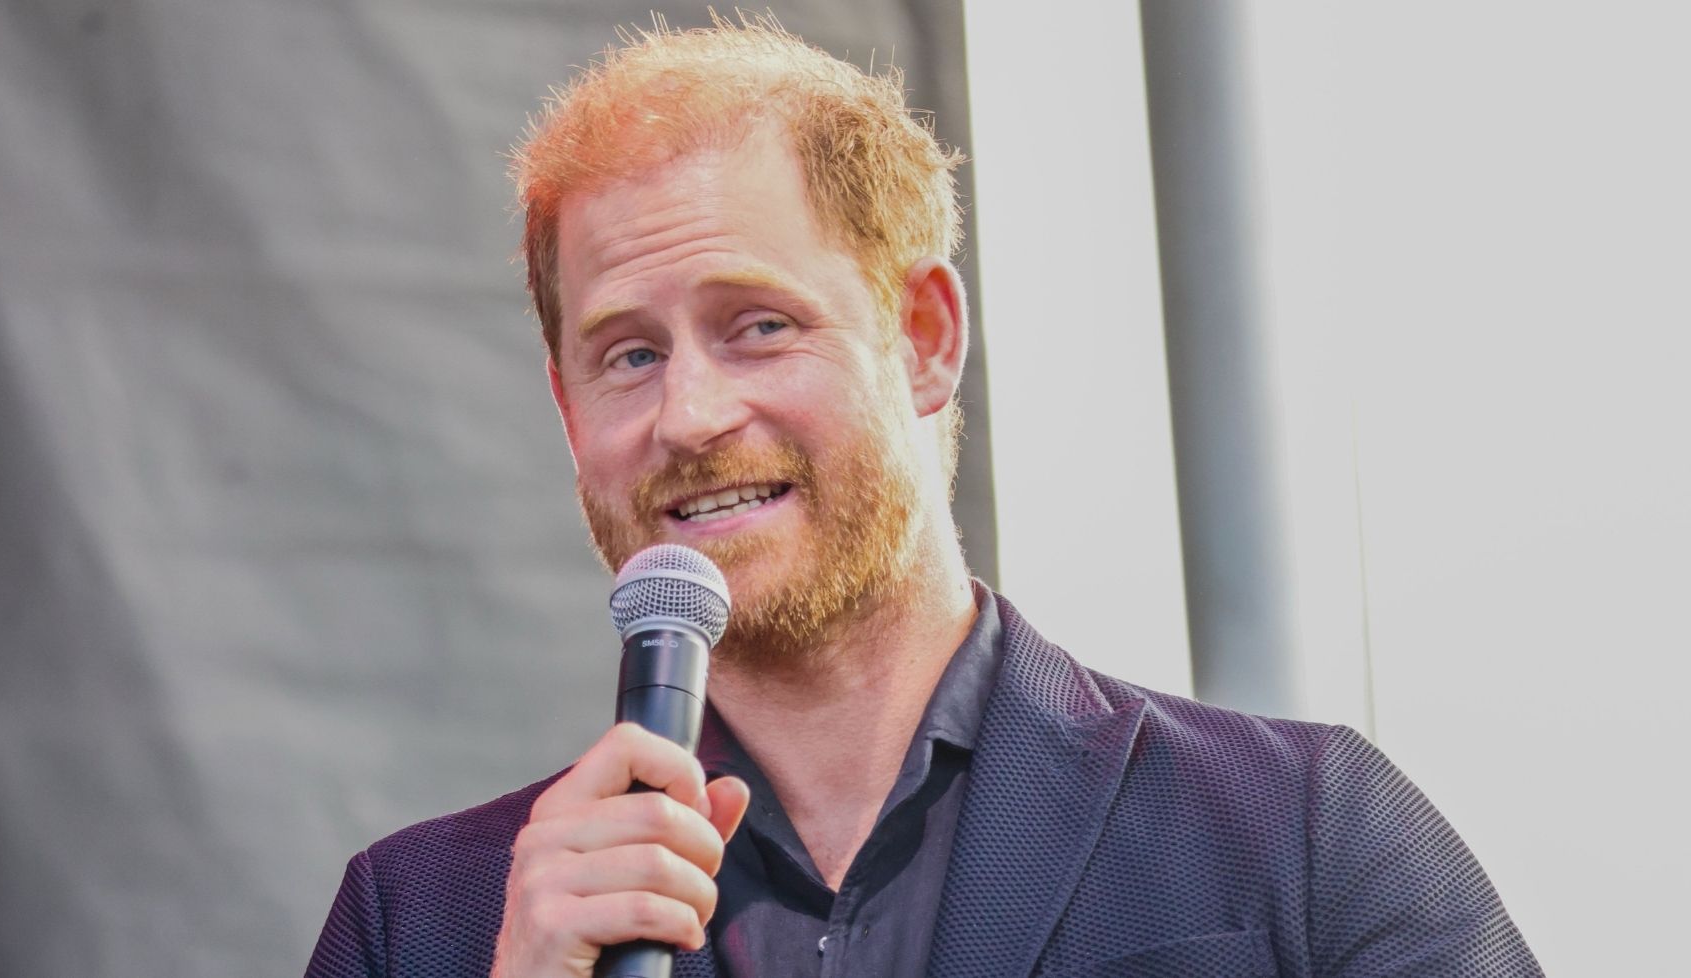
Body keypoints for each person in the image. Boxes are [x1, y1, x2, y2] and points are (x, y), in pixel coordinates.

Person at [306, 15, 1540, 978]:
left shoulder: (1300, 832)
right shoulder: (422, 923)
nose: (687, 415)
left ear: (926, 339)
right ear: (566, 406)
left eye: (757, 325)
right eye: (628, 354)